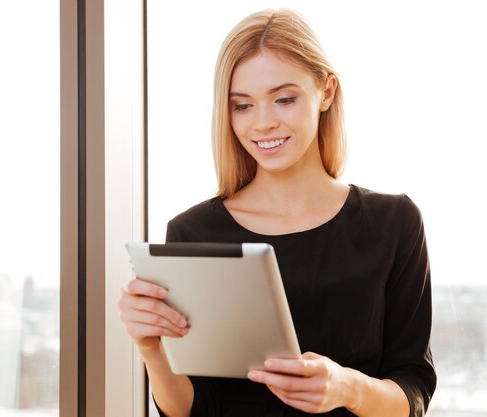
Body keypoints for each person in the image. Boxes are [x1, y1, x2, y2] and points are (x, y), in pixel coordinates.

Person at [118, 8, 436, 417]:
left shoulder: (394, 223)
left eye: (284, 99)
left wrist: (347, 388)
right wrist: (151, 349)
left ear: (327, 92)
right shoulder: (192, 231)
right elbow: (190, 409)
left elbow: (413, 393)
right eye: (243, 106)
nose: (263, 123)